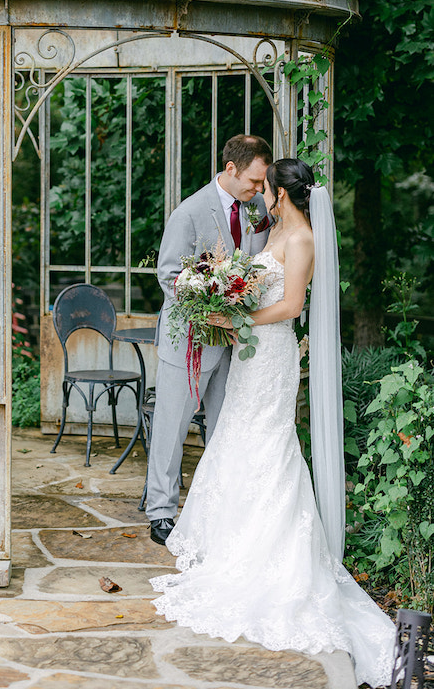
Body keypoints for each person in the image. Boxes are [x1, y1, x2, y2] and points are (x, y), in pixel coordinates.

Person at [150, 159, 395, 689]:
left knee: (267, 446)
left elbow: (290, 305)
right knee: (235, 439)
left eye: (267, 188)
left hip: (272, 356)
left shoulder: (301, 238)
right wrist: (220, 288)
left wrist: (232, 318)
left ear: (283, 195)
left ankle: (267, 554)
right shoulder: (275, 228)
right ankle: (230, 539)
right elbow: (252, 279)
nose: (259, 194)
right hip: (248, 357)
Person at [146, 134, 273, 546]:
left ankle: (214, 508)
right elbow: (168, 275)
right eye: (254, 180)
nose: (258, 188)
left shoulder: (255, 209)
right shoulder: (188, 213)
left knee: (223, 427)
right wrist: (207, 305)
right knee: (172, 428)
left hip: (235, 343)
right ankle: (161, 512)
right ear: (231, 169)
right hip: (190, 341)